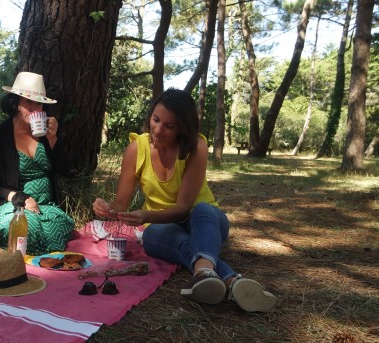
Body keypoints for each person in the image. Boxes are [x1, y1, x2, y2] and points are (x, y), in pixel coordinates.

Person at [92, 88, 276, 313]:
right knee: (152, 234)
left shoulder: (195, 147)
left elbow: (183, 209)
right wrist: (107, 208)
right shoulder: (135, 149)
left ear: (182, 128)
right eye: (156, 120)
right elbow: (120, 205)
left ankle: (209, 274)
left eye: (169, 126)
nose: (158, 130)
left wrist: (146, 215)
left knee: (202, 209)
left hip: (206, 222)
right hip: (163, 229)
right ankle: (225, 279)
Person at [0, 71, 74, 255]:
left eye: (38, 103)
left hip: (46, 208)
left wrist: (53, 140)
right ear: (15, 103)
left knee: (53, 233)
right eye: (28, 102)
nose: (34, 108)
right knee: (22, 231)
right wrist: (17, 197)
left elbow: (65, 169)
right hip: (12, 204)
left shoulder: (46, 135)